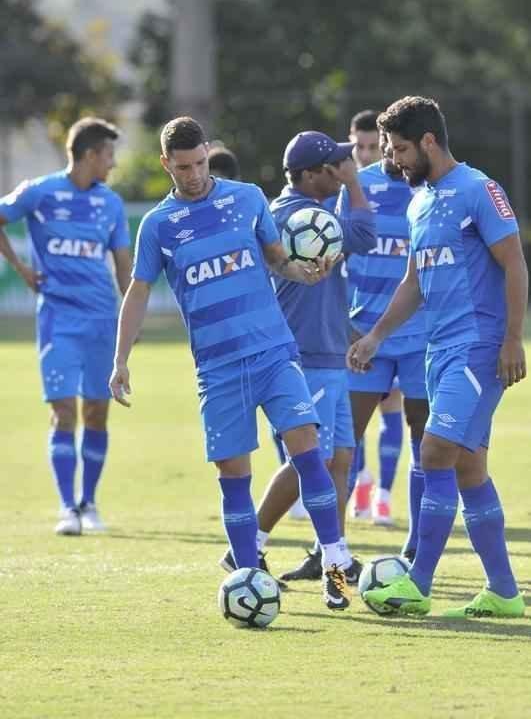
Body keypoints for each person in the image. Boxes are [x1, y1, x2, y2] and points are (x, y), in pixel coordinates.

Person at [109, 116, 352, 611]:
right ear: (166, 165)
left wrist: (301, 274)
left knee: (310, 452)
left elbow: (277, 259)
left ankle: (336, 568)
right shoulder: (158, 226)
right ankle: (248, 576)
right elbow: (137, 291)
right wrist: (120, 360)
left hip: (273, 352)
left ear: (207, 154)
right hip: (218, 369)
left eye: (199, 163)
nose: (194, 174)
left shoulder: (247, 199)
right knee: (233, 476)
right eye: (183, 167)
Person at [348, 96, 527, 618]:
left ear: (429, 141)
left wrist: (513, 339)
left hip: (479, 347)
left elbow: (514, 264)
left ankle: (418, 582)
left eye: (401, 149)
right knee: (469, 469)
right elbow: (413, 282)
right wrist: (376, 336)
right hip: (438, 349)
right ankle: (505, 592)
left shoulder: (478, 190)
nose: (394, 160)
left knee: (433, 454)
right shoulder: (419, 201)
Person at [223, 131, 376, 584]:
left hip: (329, 350)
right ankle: (247, 546)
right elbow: (366, 234)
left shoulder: (304, 210)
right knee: (311, 460)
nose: (344, 169)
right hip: (306, 353)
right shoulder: (301, 216)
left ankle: (334, 556)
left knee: (341, 458)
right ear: (310, 176)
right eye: (335, 166)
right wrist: (354, 186)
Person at [0, 117, 132, 535]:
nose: (112, 164)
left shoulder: (109, 202)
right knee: (63, 412)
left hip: (102, 320)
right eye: (109, 155)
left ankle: (89, 502)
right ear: (91, 155)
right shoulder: (40, 192)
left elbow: (123, 264)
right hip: (58, 320)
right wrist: (21, 267)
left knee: (96, 411)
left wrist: (130, 319)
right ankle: (66, 509)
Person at [347, 129, 429, 555]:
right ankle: (332, 551)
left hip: (419, 337)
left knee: (425, 442)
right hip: (363, 335)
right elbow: (337, 255)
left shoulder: (432, 190)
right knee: (346, 440)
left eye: (404, 145)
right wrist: (346, 325)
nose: (397, 153)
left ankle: (416, 546)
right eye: (390, 145)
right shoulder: (359, 187)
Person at [347, 109, 406, 524]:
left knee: (395, 410)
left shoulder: (421, 189)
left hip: (407, 328)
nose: (369, 153)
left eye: (376, 145)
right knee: (352, 422)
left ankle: (383, 491)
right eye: (362, 147)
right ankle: (360, 486)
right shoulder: (353, 189)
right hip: (359, 325)